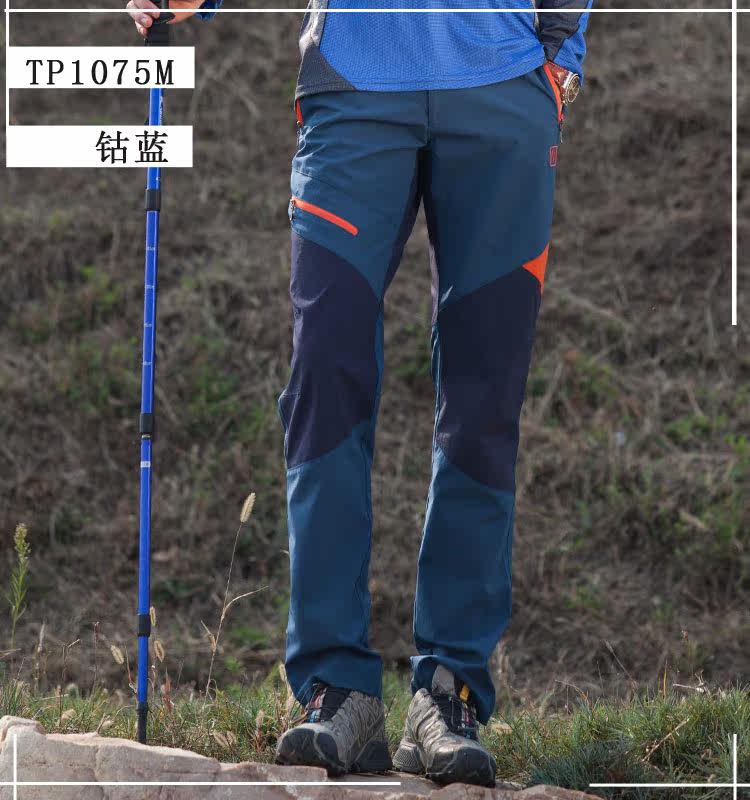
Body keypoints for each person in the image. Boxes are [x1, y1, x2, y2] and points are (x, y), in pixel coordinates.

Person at [128, 0, 591, 787]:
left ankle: (450, 692)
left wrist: (562, 50)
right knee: (325, 377)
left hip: (504, 83)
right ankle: (335, 687)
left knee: (483, 397)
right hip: (354, 82)